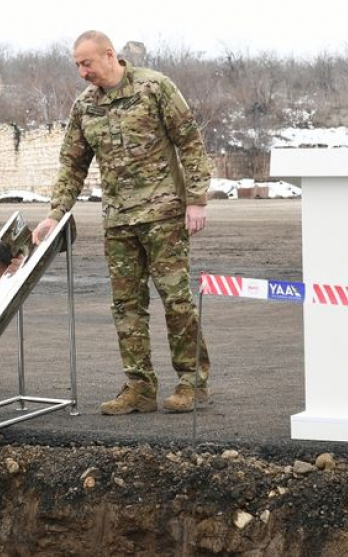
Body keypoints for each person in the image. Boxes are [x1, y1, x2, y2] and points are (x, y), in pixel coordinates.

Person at [32, 30, 213, 415]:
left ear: (109, 55)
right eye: (77, 65)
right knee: (126, 306)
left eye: (87, 63)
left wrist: (196, 200)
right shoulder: (85, 107)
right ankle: (139, 387)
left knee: (176, 300)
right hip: (118, 220)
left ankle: (191, 382)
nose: (82, 72)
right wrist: (55, 214)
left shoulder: (154, 87)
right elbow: (72, 165)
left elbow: (190, 143)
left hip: (164, 215)